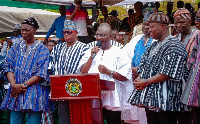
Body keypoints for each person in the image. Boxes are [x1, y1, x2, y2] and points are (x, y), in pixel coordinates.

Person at [128, 12, 189, 124]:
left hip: (166, 99)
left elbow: (167, 73)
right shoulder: (154, 45)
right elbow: (144, 66)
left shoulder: (174, 45)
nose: (149, 30)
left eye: (152, 27)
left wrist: (145, 81)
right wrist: (140, 78)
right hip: (152, 98)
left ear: (162, 27)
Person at [77, 23, 134, 124]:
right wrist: (91, 57)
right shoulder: (90, 52)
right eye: (97, 35)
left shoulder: (120, 53)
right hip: (93, 97)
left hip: (112, 99)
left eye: (102, 35)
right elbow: (83, 72)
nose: (98, 38)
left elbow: (125, 76)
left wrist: (108, 72)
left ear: (111, 37)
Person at [1, 17, 51, 124]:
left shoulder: (42, 50)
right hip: (16, 92)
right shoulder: (16, 47)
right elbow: (8, 66)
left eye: (27, 30)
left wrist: (23, 86)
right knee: (14, 121)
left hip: (34, 93)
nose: (24, 32)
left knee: (33, 121)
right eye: (22, 30)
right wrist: (13, 84)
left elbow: (41, 73)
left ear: (34, 30)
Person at [49, 20, 89, 124]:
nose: (66, 34)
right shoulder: (57, 48)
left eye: (69, 32)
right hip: (61, 88)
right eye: (64, 32)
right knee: (63, 116)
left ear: (76, 32)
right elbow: (51, 66)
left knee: (78, 116)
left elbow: (85, 69)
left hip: (77, 88)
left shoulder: (84, 48)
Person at [180, 8, 200, 124]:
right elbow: (192, 61)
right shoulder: (199, 36)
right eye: (196, 18)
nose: (196, 22)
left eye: (199, 19)